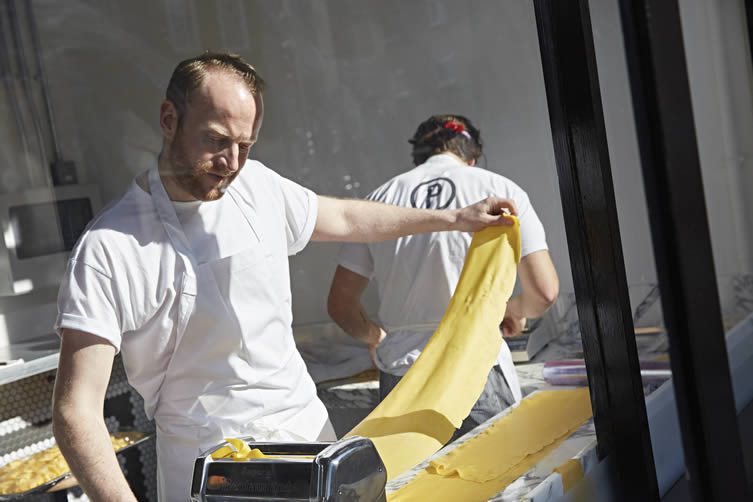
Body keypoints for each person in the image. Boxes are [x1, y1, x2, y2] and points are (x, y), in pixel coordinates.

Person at [51, 55, 518, 502]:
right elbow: (77, 412)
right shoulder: (110, 247)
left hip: (308, 441)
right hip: (211, 468)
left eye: (246, 144)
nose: (232, 162)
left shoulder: (256, 186)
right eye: (216, 141)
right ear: (169, 119)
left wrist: (454, 217)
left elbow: (348, 218)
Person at [327, 114, 559, 440]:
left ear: (418, 156)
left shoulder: (380, 199)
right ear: (472, 157)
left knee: (415, 485)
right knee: (493, 482)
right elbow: (545, 292)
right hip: (476, 367)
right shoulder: (500, 189)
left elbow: (340, 305)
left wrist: (375, 336)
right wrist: (510, 310)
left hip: (402, 372)